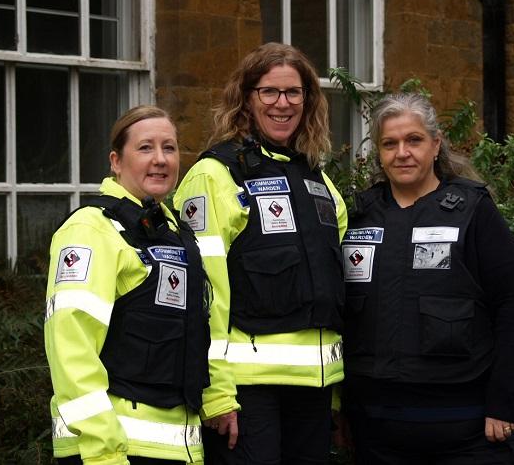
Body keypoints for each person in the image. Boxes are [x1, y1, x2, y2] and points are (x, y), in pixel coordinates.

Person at [173, 42, 347, 465]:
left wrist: (339, 396)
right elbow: (200, 294)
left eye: (294, 92)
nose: (282, 103)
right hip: (247, 392)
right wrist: (216, 393)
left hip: (316, 390)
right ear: (246, 99)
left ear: (308, 100)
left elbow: (336, 291)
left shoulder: (318, 181)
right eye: (269, 92)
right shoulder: (215, 174)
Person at [341, 93, 514, 464]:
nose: (402, 152)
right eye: (389, 143)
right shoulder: (358, 216)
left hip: (467, 432)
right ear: (379, 153)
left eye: (413, 140)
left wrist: (503, 400)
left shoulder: (472, 210)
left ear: (435, 144)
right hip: (377, 433)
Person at [44, 105, 210, 465]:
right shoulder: (91, 229)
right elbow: (72, 348)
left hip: (175, 450)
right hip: (109, 451)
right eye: (146, 148)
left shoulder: (175, 233)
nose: (161, 159)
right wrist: (103, 451)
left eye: (169, 147)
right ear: (116, 161)